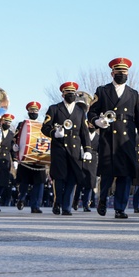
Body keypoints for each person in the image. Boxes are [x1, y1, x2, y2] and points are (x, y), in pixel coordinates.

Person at [89, 57, 139, 219]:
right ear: (112, 73)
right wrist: (97, 121)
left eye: (124, 72)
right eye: (119, 71)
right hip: (108, 137)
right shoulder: (102, 90)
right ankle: (102, 199)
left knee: (125, 175)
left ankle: (120, 208)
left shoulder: (133, 93)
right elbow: (92, 112)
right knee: (108, 173)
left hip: (127, 139)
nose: (122, 74)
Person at [41, 82, 93, 216]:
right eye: (68, 92)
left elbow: (84, 132)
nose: (71, 95)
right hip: (59, 147)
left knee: (72, 178)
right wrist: (54, 133)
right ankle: (57, 202)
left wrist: (87, 149)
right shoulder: (54, 109)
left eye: (73, 93)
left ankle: (67, 206)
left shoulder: (80, 111)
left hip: (74, 149)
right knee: (59, 177)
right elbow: (45, 127)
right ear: (63, 94)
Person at [14, 102, 48, 213]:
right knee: (24, 182)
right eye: (32, 111)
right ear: (28, 112)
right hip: (26, 160)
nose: (34, 113)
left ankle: (36, 206)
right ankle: (21, 199)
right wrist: (15, 146)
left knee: (39, 184)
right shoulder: (22, 125)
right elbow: (16, 137)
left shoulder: (43, 125)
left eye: (36, 111)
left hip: (39, 159)